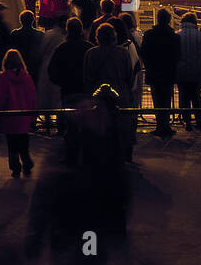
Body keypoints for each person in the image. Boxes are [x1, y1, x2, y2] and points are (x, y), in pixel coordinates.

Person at [84, 23, 135, 161]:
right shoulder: (123, 52)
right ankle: (125, 153)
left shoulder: (91, 53)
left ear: (97, 37)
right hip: (120, 92)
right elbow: (129, 75)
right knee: (123, 125)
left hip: (98, 94)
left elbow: (87, 76)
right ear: (114, 36)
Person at [48, 17, 93, 164]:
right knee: (86, 124)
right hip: (85, 91)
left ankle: (71, 155)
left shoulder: (62, 48)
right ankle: (86, 154)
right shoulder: (89, 48)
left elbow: (52, 70)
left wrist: (61, 82)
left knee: (70, 125)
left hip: (68, 91)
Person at [0, 49, 37, 178]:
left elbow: (0, 98)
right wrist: (33, 115)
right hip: (24, 116)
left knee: (12, 145)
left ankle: (15, 168)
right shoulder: (26, 77)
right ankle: (27, 164)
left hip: (9, 117)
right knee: (24, 143)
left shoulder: (3, 77)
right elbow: (32, 97)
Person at [141, 8, 180, 136]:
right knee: (167, 99)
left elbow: (144, 53)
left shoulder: (149, 35)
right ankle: (166, 125)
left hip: (154, 72)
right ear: (169, 20)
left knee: (157, 100)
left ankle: (159, 125)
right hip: (168, 72)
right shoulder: (174, 36)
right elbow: (177, 55)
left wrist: (149, 66)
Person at [177, 12, 201, 131]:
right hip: (197, 70)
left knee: (184, 98)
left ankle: (187, 122)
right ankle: (199, 120)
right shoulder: (200, 35)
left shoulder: (178, 35)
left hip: (181, 72)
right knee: (196, 97)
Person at [35, 15, 67, 135]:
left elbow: (41, 50)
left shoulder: (48, 34)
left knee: (45, 94)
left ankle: (47, 119)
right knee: (56, 95)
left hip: (47, 65)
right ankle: (58, 122)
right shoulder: (64, 35)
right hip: (60, 66)